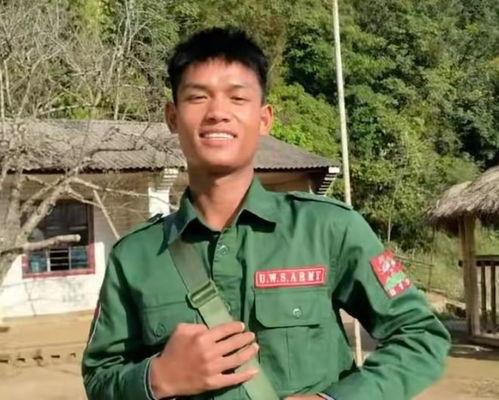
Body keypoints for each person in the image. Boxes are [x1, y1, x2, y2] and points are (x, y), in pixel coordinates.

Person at [82, 28, 450, 400]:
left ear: (264, 119)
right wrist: (158, 377)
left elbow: (421, 335)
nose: (217, 113)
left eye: (237, 98)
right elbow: (99, 378)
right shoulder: (135, 256)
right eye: (198, 97)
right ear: (172, 116)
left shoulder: (328, 229)